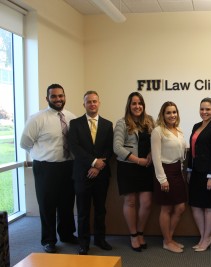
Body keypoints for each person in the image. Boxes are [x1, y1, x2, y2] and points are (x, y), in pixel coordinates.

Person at [20, 83, 77, 253]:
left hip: (68, 166)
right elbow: (25, 143)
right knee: (47, 205)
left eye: (61, 96)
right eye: (54, 96)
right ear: (47, 98)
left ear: (65, 97)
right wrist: (41, 155)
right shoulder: (37, 118)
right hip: (46, 168)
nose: (58, 99)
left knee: (67, 203)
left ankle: (67, 234)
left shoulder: (71, 117)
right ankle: (49, 240)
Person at [68, 91, 114, 255]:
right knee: (83, 211)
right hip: (82, 174)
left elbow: (110, 149)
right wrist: (93, 162)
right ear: (84, 104)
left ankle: (100, 240)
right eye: (89, 102)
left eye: (95, 101)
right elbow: (75, 148)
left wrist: (98, 166)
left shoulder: (108, 125)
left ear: (99, 103)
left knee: (100, 209)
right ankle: (83, 243)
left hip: (101, 175)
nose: (92, 104)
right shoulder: (75, 124)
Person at [113, 92, 155, 252]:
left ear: (143, 105)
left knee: (146, 203)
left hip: (146, 168)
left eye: (140, 103)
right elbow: (117, 147)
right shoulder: (122, 123)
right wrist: (138, 160)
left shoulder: (150, 121)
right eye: (134, 104)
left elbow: (156, 141)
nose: (137, 106)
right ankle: (133, 235)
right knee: (130, 202)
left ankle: (140, 231)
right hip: (128, 167)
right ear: (129, 106)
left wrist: (151, 153)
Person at [187, 98, 211, 252]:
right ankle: (205, 237)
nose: (204, 112)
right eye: (202, 109)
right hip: (195, 171)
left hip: (209, 173)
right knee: (195, 205)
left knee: (208, 207)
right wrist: (189, 169)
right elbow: (192, 150)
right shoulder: (196, 126)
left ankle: (206, 238)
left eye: (208, 109)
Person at [151, 101, 187, 253]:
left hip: (177, 171)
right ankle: (167, 241)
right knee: (166, 208)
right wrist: (162, 179)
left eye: (174, 112)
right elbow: (156, 157)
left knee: (180, 207)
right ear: (163, 115)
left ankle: (169, 239)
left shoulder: (178, 130)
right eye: (168, 113)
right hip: (164, 172)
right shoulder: (158, 131)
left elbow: (181, 154)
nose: (172, 115)